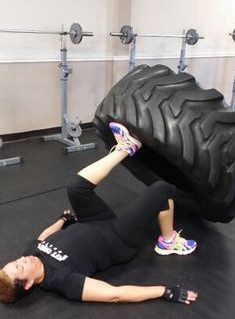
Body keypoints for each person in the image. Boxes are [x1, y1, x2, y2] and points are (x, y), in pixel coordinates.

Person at [0, 122, 198, 305]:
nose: (22, 260)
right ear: (27, 284)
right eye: (20, 268)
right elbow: (114, 294)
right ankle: (168, 241)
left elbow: (42, 238)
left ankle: (126, 147)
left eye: (16, 261)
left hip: (94, 221)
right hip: (118, 239)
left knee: (75, 187)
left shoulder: (30, 253)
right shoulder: (61, 280)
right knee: (161, 190)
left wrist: (61, 221)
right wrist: (164, 291)